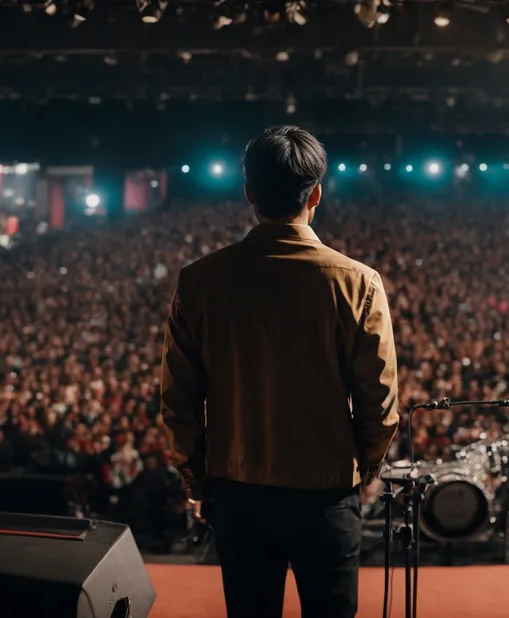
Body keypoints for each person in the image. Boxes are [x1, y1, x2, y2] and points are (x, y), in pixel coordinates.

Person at [159, 125, 400, 618]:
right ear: (316, 194)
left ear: (249, 193)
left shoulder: (200, 281)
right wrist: (365, 469)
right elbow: (380, 403)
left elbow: (178, 401)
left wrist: (197, 481)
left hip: (237, 491)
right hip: (327, 491)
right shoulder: (359, 283)